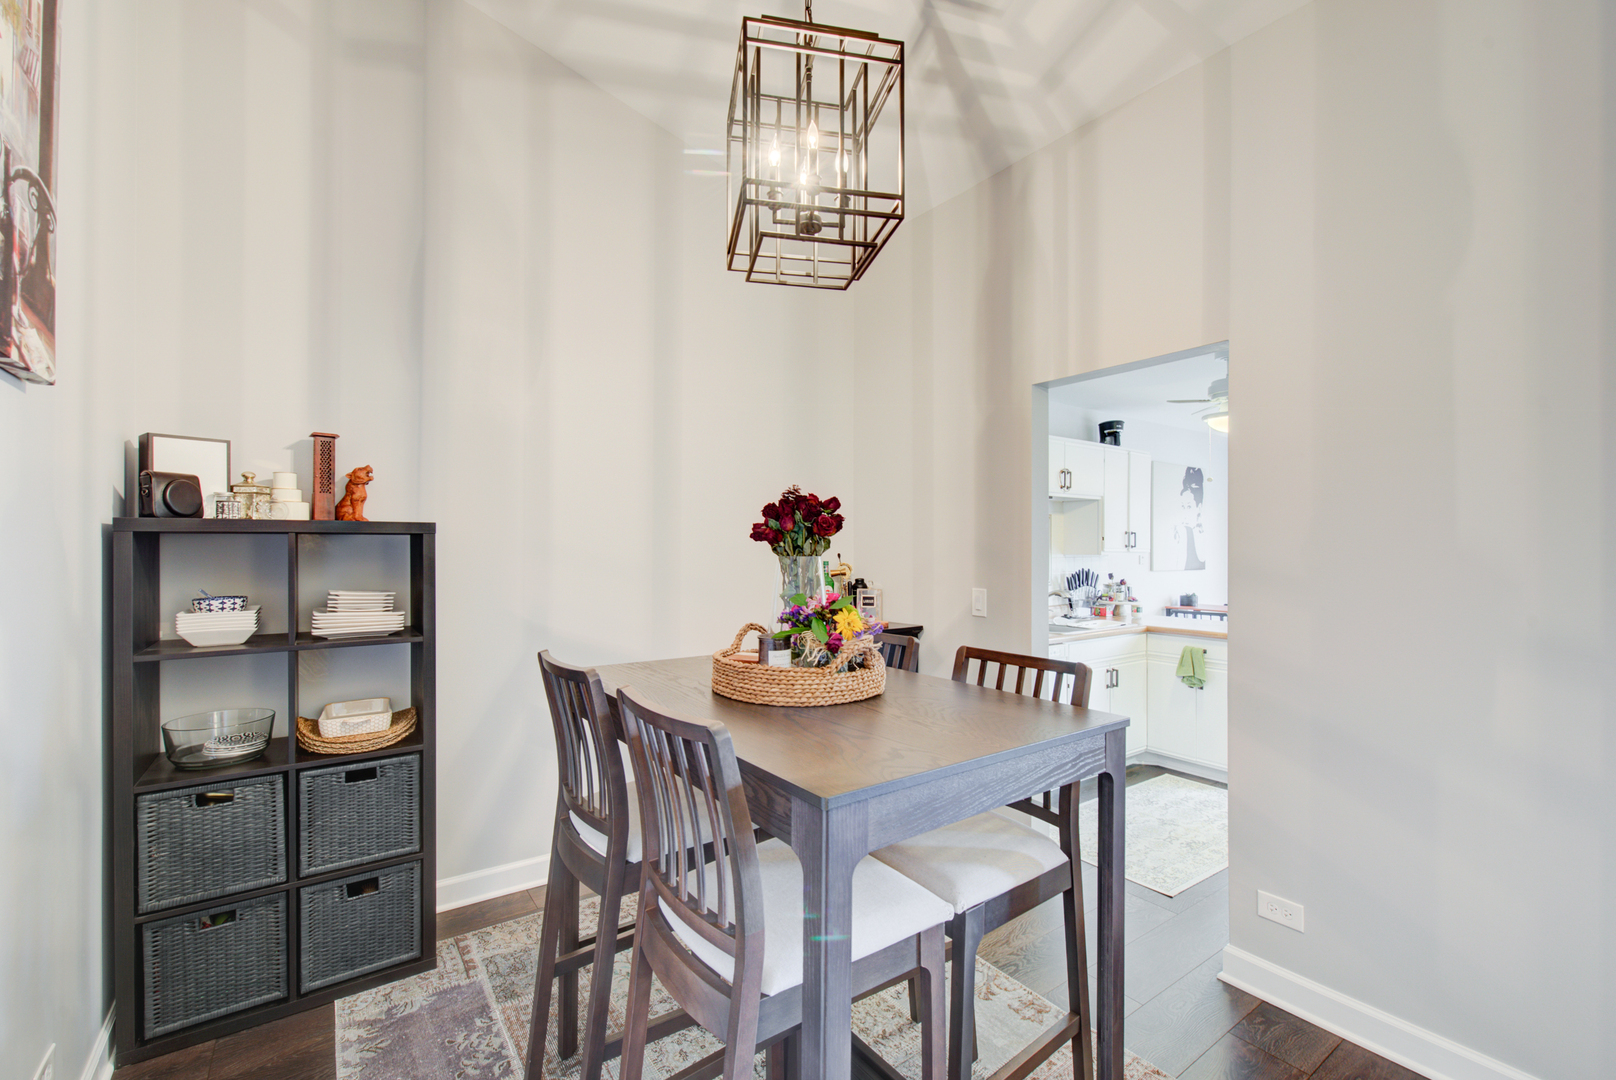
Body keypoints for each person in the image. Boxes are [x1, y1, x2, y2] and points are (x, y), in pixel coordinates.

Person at [1175, 466, 1207, 571]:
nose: (1185, 513)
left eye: (1189, 507)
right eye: (1182, 507)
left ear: (1198, 507)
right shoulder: (1182, 531)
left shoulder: (1199, 532)